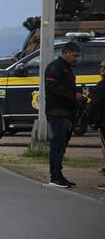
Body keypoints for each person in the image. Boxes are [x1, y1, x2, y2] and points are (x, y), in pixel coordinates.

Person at [44, 41, 87, 188]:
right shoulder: (55, 67)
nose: (76, 59)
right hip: (57, 112)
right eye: (74, 55)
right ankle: (55, 176)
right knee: (57, 145)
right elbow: (52, 87)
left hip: (66, 112)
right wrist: (73, 96)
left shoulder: (66, 68)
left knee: (61, 145)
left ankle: (59, 174)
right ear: (66, 52)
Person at [84, 57, 105, 191]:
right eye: (101, 67)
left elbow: (94, 105)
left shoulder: (102, 86)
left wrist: (88, 120)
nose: (102, 70)